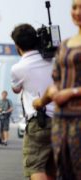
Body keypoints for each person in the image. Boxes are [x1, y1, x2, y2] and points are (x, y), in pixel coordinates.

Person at [33, 1, 81, 178]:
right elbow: (57, 82)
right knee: (63, 170)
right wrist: (42, 100)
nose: (77, 12)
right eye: (74, 7)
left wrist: (72, 92)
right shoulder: (64, 45)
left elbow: (66, 89)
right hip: (61, 120)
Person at [10, 24, 55, 179]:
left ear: (17, 46)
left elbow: (15, 89)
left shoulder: (18, 68)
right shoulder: (55, 61)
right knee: (52, 168)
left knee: (35, 167)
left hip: (39, 121)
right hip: (61, 121)